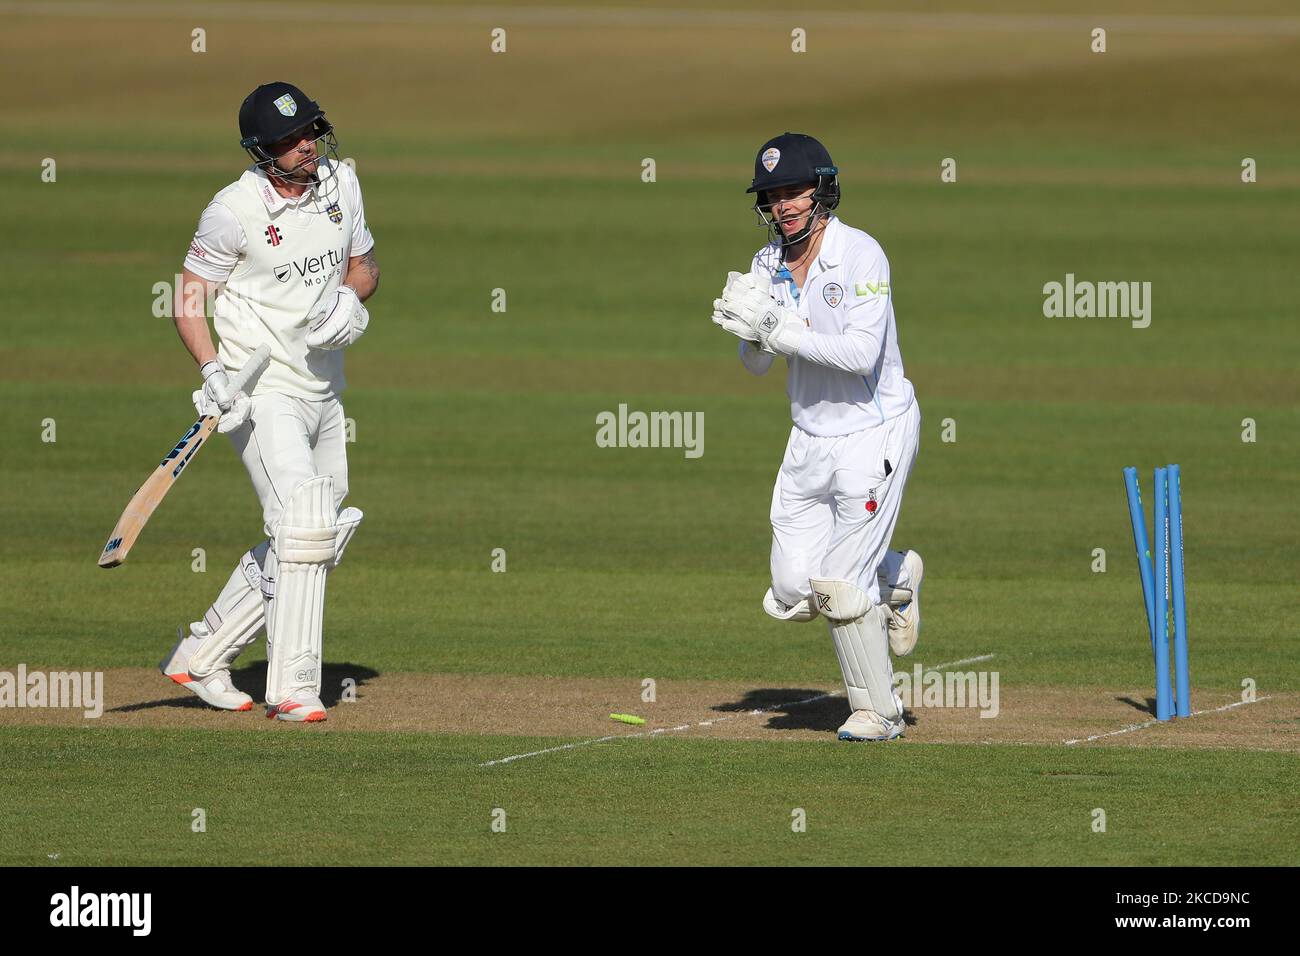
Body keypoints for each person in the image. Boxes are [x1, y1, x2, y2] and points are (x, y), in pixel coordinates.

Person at [158, 82, 379, 722]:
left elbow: (364, 266)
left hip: (324, 388)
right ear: (261, 151)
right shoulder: (232, 210)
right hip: (262, 392)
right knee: (301, 524)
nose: (305, 144)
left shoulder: (343, 184)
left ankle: (201, 654)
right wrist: (212, 370)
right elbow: (190, 294)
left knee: (323, 532)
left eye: (310, 130)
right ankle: (293, 690)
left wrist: (350, 296)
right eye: (288, 139)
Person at [711, 132, 923, 741]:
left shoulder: (861, 255)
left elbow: (860, 354)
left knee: (837, 587)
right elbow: (755, 365)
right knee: (790, 589)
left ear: (823, 191)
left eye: (793, 192)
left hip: (872, 432)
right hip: (808, 437)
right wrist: (751, 332)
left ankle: (879, 714)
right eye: (772, 196)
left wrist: (777, 328)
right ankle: (898, 577)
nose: (782, 206)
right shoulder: (765, 264)